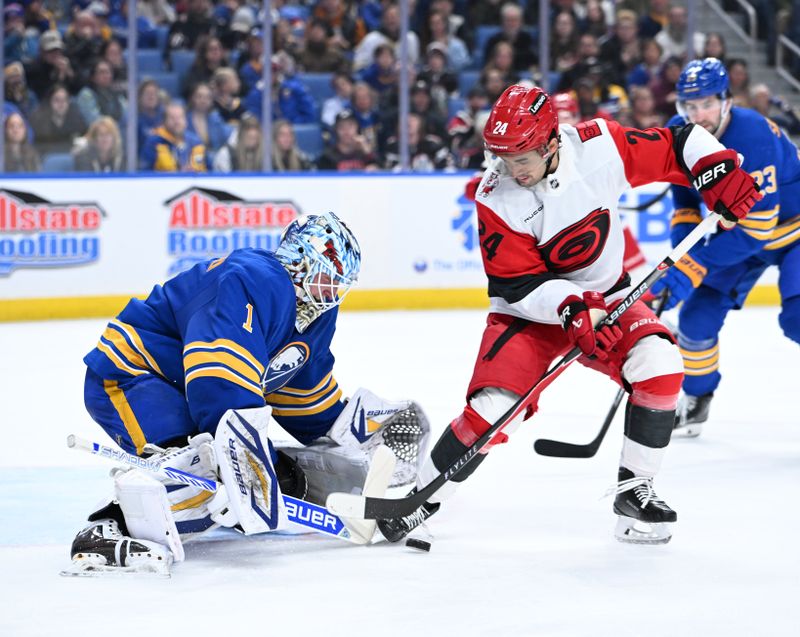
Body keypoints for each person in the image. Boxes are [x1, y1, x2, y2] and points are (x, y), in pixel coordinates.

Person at [376, 84, 761, 546]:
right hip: (530, 315)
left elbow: (678, 143)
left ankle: (634, 492)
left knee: (660, 362)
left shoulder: (600, 148)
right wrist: (570, 307)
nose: (510, 169)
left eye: (521, 158)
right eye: (501, 156)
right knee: (494, 412)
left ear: (552, 142)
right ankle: (420, 497)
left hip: (609, 299)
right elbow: (516, 285)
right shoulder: (495, 196)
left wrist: (714, 168)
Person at [65, 212, 429, 575]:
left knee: (269, 473)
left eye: (339, 284)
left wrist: (360, 429)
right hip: (133, 373)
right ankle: (105, 528)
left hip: (188, 391)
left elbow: (301, 394)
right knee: (200, 470)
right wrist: (240, 469)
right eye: (325, 277)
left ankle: (197, 491)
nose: (330, 292)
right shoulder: (253, 277)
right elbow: (219, 380)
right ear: (299, 261)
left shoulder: (315, 317)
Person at [649, 58, 800, 437]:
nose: (699, 115)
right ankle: (698, 402)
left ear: (726, 100)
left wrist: (694, 265)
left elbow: (758, 230)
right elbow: (684, 198)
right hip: (740, 234)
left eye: (707, 104)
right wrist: (681, 256)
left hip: (791, 231)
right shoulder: (680, 132)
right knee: (695, 322)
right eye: (691, 105)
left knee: (797, 318)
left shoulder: (754, 137)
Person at [140, 101, 208, 172]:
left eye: (180, 117)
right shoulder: (154, 142)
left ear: (186, 120)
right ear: (164, 121)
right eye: (172, 118)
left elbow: (210, 170)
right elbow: (145, 173)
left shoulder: (196, 142)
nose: (177, 122)